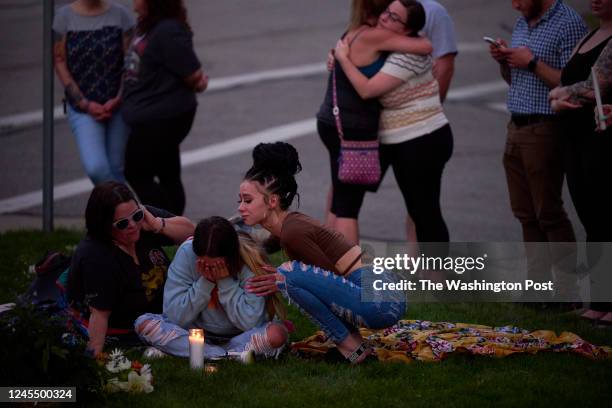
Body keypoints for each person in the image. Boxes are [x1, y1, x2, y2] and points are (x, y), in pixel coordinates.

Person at [240, 142, 406, 364]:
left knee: (290, 275)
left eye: (247, 200)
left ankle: (352, 349)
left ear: (272, 201)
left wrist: (281, 280)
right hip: (383, 294)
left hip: (380, 301)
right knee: (291, 276)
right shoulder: (289, 225)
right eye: (239, 200)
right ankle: (355, 348)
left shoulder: (292, 232)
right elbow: (267, 245)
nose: (241, 207)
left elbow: (327, 282)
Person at [335, 0, 453, 251]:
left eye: (394, 18)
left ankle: (439, 282)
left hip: (422, 139)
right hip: (403, 140)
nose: (384, 18)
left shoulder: (406, 56)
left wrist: (343, 59)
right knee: (420, 210)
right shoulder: (390, 47)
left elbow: (367, 90)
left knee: (426, 213)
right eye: (387, 12)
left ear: (407, 30)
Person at [488, 0, 586, 288]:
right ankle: (538, 287)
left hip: (545, 127)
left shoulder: (568, 24)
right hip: (516, 125)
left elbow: (574, 83)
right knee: (525, 213)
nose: (514, 5)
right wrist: (506, 61)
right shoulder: (522, 22)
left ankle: (568, 290)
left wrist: (531, 62)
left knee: (549, 212)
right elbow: (517, 80)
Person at [67, 181, 194, 356]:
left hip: (169, 310)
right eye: (122, 224)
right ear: (104, 225)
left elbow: (192, 233)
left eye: (136, 216)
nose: (133, 225)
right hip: (131, 325)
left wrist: (157, 224)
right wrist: (94, 355)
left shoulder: (140, 219)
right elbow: (99, 315)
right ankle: (222, 352)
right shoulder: (96, 257)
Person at [135, 217, 288, 359]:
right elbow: (174, 317)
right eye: (205, 265)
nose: (211, 269)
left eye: (217, 265)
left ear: (230, 256)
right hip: (193, 333)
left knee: (276, 334)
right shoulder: (186, 253)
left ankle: (199, 353)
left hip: (240, 335)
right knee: (144, 323)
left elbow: (250, 323)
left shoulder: (249, 259)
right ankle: (223, 355)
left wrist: (224, 281)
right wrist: (205, 282)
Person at [548, 0, 612, 323]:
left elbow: (594, 86)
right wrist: (561, 93)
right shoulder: (590, 35)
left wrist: (561, 95)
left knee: (605, 218)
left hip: (600, 141)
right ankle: (599, 301)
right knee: (591, 219)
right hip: (575, 140)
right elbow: (567, 80)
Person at [121, 0, 208, 215]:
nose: (134, 2)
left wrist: (198, 82)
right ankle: (174, 227)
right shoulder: (152, 26)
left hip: (162, 116)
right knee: (168, 172)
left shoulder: (168, 30)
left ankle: (166, 223)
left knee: (136, 172)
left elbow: (194, 74)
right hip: (154, 113)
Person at [53, 0, 134, 185]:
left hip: (118, 105)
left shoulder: (121, 15)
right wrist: (84, 103)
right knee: (96, 168)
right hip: (82, 107)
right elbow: (59, 62)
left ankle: (123, 212)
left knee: (116, 167)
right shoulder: (64, 17)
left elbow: (130, 61)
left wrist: (119, 97)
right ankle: (132, 210)